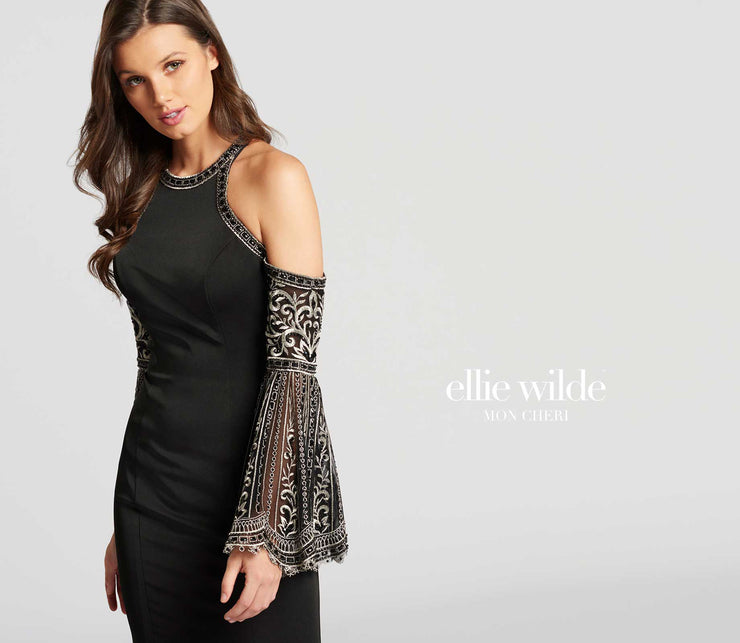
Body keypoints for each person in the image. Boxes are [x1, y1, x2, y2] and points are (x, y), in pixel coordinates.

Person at [74, 1, 349, 640]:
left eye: (173, 65)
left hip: (253, 503)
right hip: (150, 499)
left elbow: (293, 368)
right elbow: (158, 365)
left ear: (212, 54)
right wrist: (125, 528)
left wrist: (266, 530)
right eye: (136, 80)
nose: (161, 96)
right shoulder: (142, 192)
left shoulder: (272, 176)